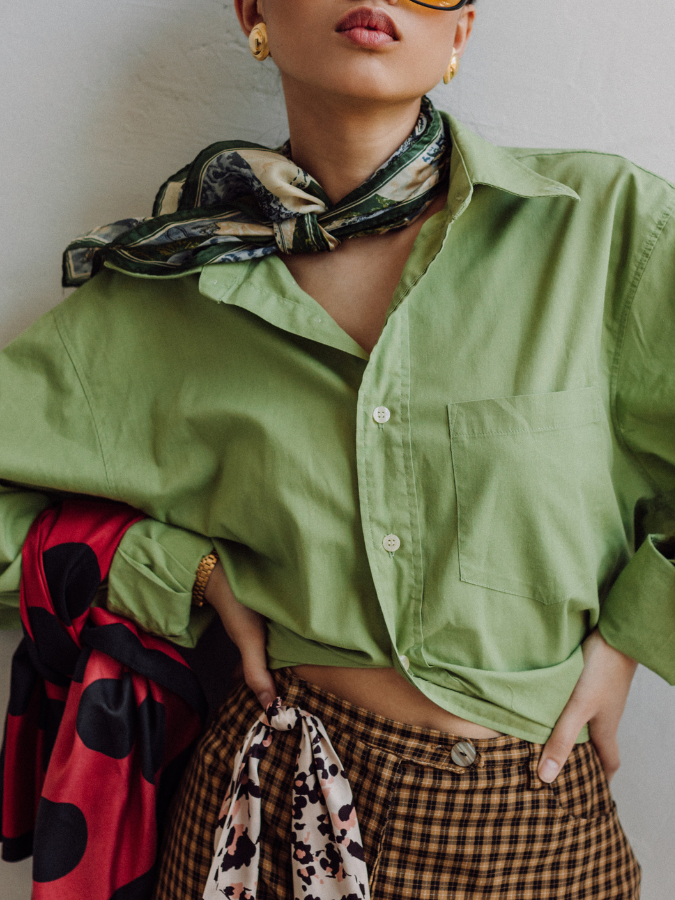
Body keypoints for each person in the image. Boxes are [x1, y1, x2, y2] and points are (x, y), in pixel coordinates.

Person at [1, 0, 674, 897]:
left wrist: (631, 638)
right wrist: (174, 572)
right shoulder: (171, 289)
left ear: (461, 33)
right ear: (254, 13)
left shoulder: (603, 229)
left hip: (528, 814)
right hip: (259, 808)